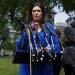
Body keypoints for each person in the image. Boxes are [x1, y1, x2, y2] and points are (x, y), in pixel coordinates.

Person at [16, 2, 61, 75]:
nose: (36, 13)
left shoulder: (49, 27)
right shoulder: (26, 27)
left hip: (44, 67)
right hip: (27, 67)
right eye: (34, 11)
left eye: (38, 11)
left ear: (42, 13)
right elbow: (19, 46)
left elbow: (56, 46)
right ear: (31, 13)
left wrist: (46, 50)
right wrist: (28, 31)